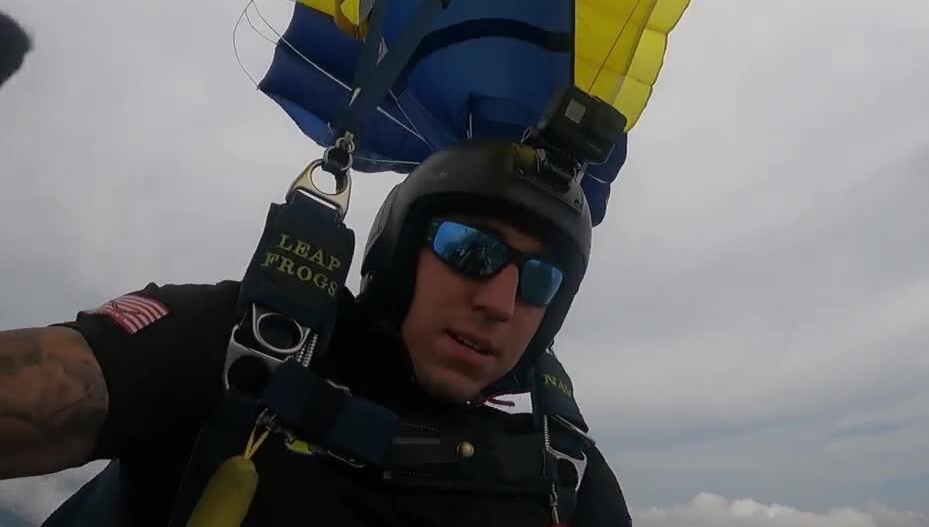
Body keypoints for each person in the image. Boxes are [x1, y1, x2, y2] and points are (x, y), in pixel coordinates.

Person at [0, 138, 632, 526]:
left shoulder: (564, 476)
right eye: (469, 251)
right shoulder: (245, 351)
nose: (499, 302)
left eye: (539, 282)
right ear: (398, 255)